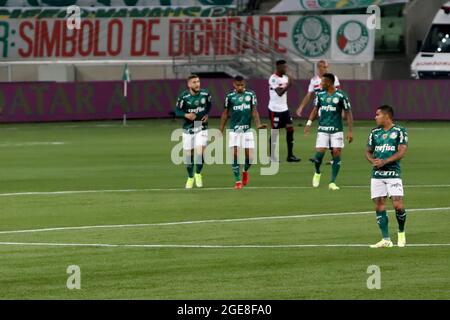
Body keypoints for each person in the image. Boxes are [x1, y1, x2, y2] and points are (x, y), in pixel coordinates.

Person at [366, 105, 408, 248]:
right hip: (377, 175)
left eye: (378, 114)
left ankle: (401, 232)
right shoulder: (374, 132)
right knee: (379, 205)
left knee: (398, 205)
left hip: (393, 174)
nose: (375, 117)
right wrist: (372, 161)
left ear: (387, 116)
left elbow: (402, 151)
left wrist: (385, 161)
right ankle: (386, 239)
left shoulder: (399, 131)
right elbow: (368, 151)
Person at [304, 73, 353, 191]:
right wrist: (308, 123)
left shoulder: (341, 95)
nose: (320, 84)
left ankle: (332, 182)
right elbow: (315, 110)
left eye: (322, 82)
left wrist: (350, 131)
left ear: (329, 83)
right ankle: (317, 172)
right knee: (319, 155)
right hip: (323, 130)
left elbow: (348, 113)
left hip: (337, 130)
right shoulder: (320, 95)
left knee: (336, 152)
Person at [220, 76, 266, 189]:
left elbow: (254, 111)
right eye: (238, 85)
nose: (240, 87)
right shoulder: (229, 96)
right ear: (234, 85)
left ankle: (245, 171)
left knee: (250, 158)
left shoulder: (251, 95)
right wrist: (220, 129)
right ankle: (238, 181)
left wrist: (259, 124)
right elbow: (225, 114)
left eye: (242, 85)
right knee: (235, 154)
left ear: (245, 84)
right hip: (234, 130)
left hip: (247, 131)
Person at [175, 74, 211, 189]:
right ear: (189, 84)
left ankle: (198, 174)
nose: (197, 84)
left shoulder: (205, 94)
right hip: (188, 127)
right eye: (194, 82)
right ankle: (190, 177)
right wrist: (186, 114)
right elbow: (177, 111)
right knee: (188, 157)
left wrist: (206, 114)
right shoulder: (184, 97)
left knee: (200, 152)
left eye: (198, 81)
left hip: (200, 125)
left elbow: (209, 105)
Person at [268, 60, 301, 163]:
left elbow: (287, 86)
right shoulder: (273, 79)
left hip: (284, 109)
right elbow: (279, 93)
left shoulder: (285, 78)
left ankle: (290, 156)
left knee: (290, 129)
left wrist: (289, 83)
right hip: (275, 109)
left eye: (286, 67)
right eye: (284, 67)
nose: (286, 69)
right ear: (278, 67)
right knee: (275, 132)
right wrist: (288, 85)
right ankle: (272, 157)